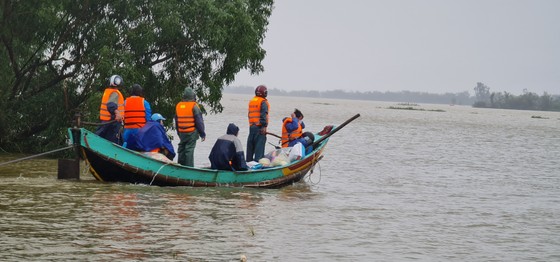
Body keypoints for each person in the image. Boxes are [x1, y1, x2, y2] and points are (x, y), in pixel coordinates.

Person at [175, 87, 206, 166]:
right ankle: (189, 168)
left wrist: (179, 133)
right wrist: (202, 133)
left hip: (182, 132)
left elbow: (176, 122)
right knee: (189, 150)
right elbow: (199, 121)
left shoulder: (178, 106)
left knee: (181, 148)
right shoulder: (194, 106)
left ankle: (180, 166)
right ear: (193, 96)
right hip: (191, 132)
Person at [246, 85, 270, 162]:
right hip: (259, 128)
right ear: (264, 93)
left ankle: (248, 164)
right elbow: (263, 115)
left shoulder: (252, 101)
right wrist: (264, 126)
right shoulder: (263, 102)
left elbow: (249, 114)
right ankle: (257, 168)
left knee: (250, 149)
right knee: (259, 151)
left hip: (251, 127)